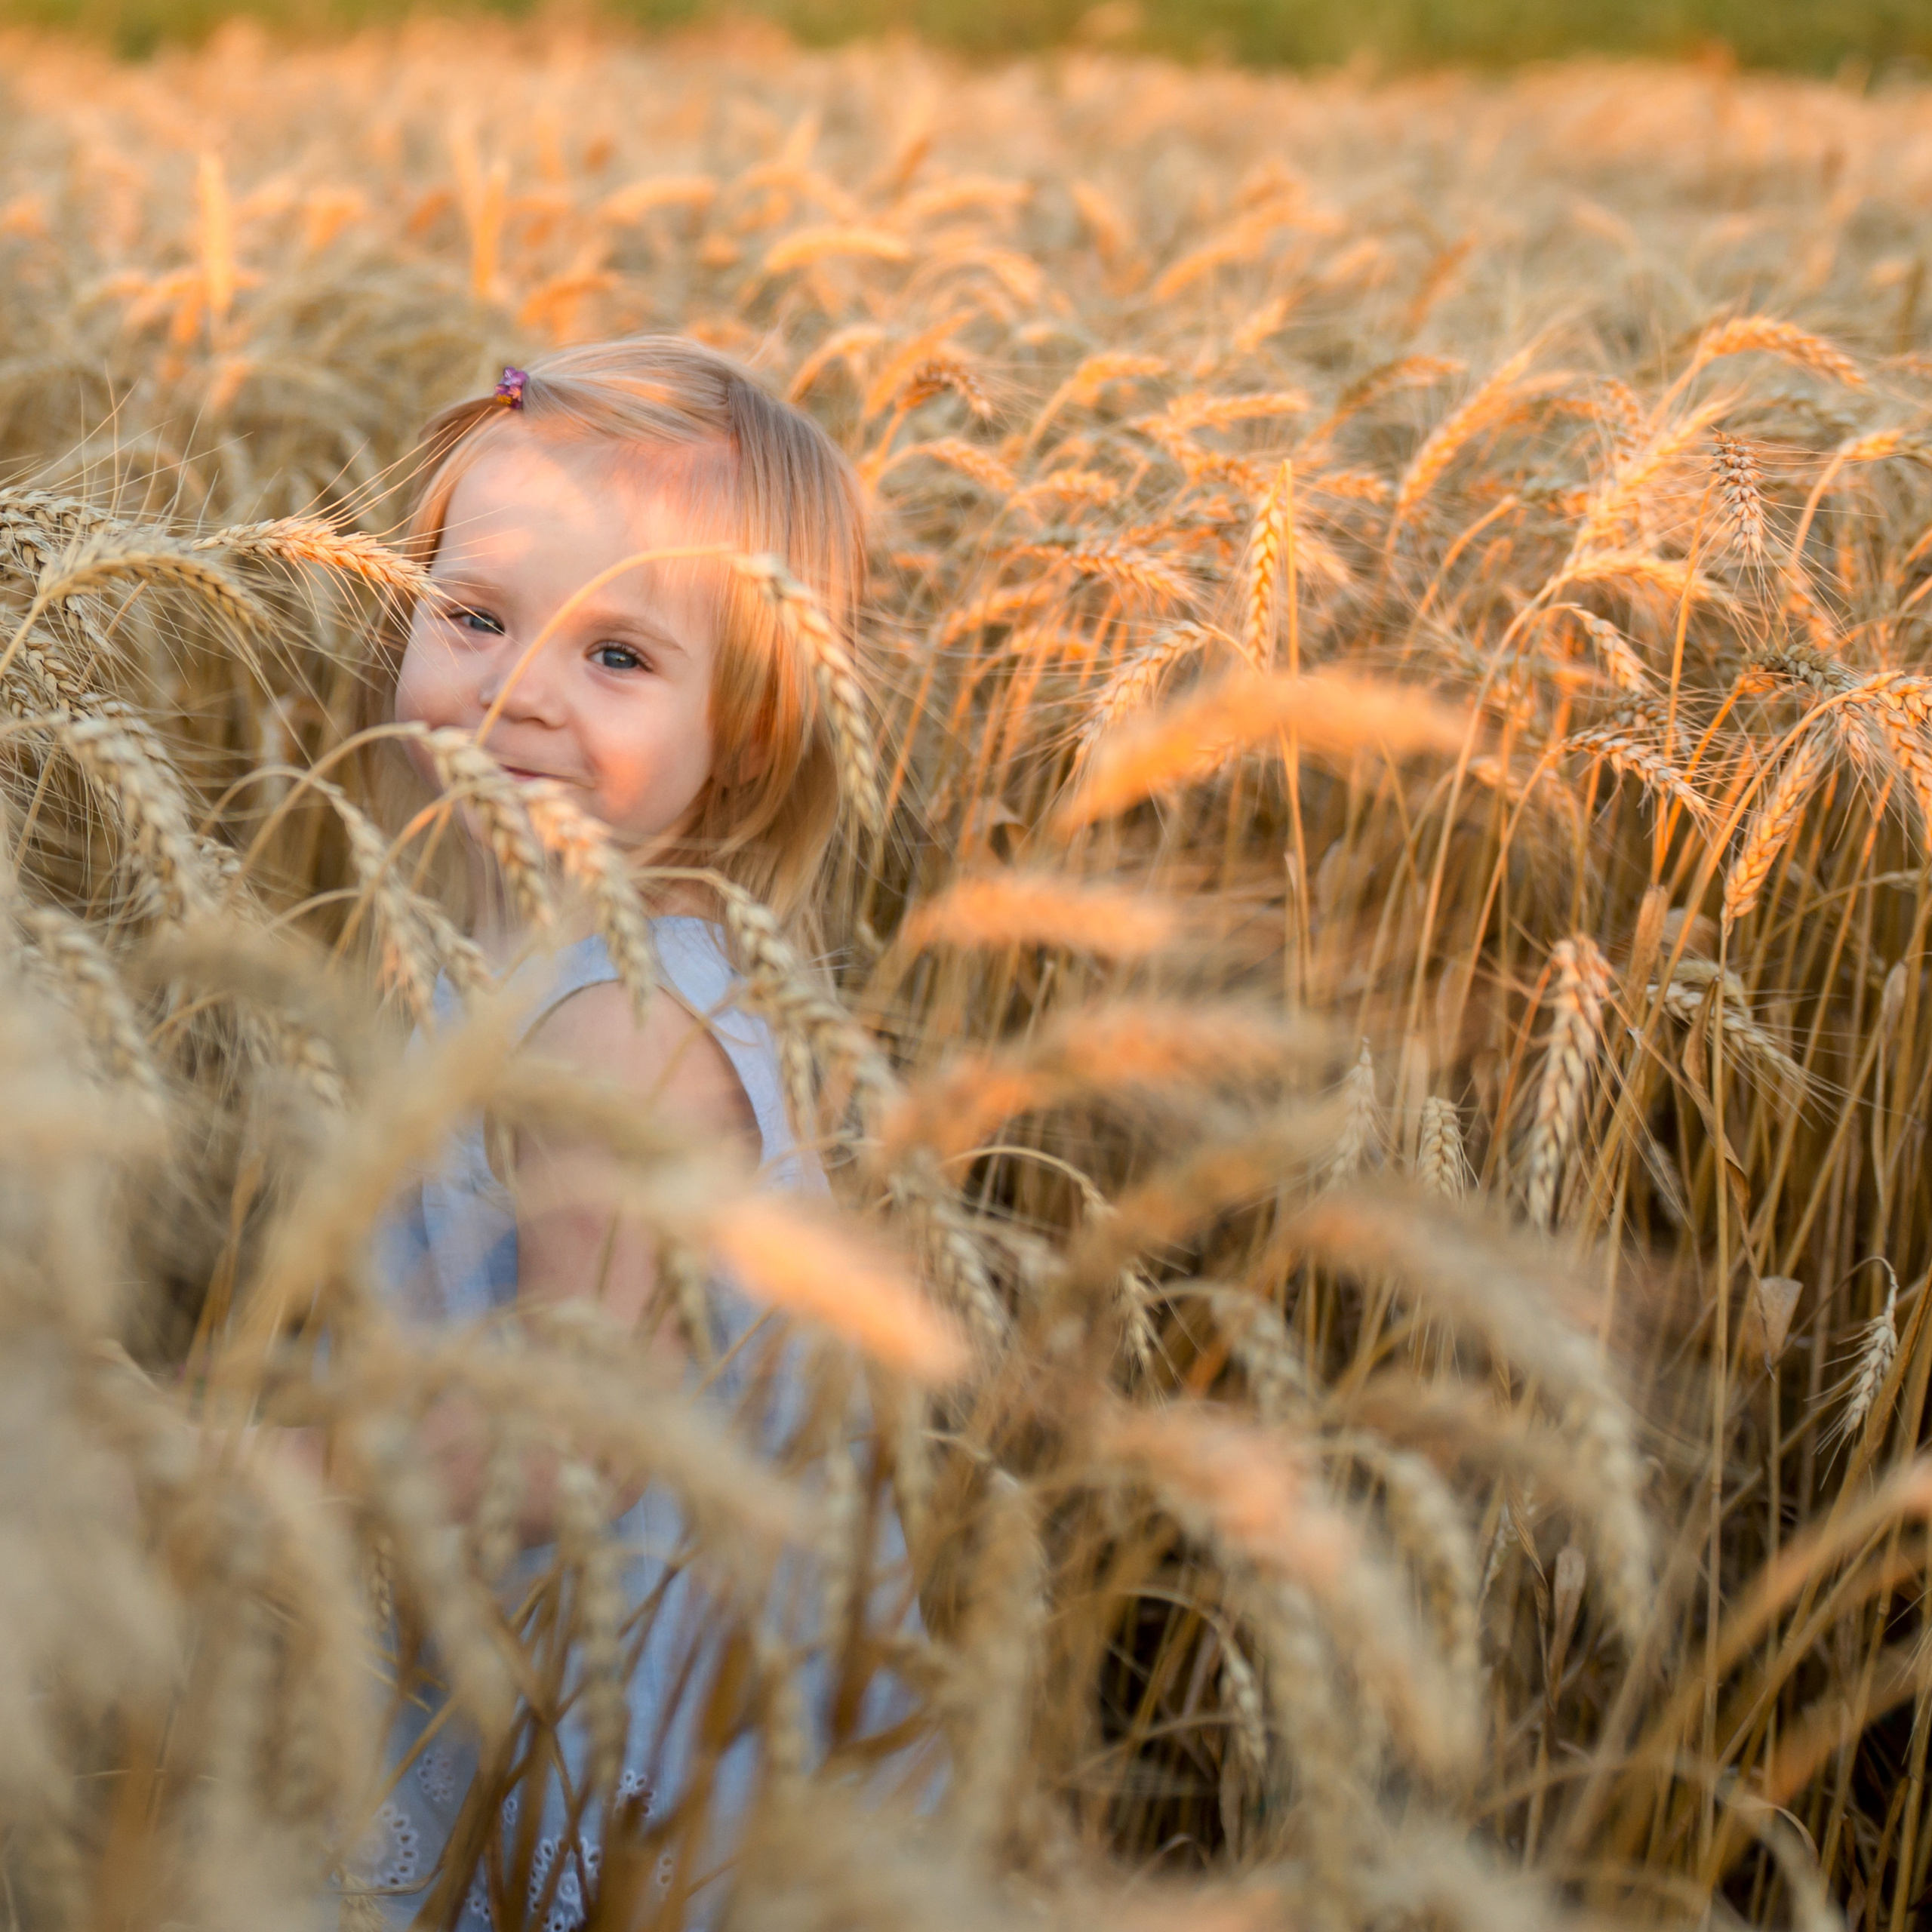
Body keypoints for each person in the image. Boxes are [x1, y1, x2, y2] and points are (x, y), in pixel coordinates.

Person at [352, 340, 921, 1930]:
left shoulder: (620, 1033)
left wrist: (240, 1465)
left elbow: (560, 1447)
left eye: (616, 653)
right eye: (475, 616)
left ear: (747, 724)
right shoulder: (548, 963)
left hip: (641, 1762)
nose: (516, 688)